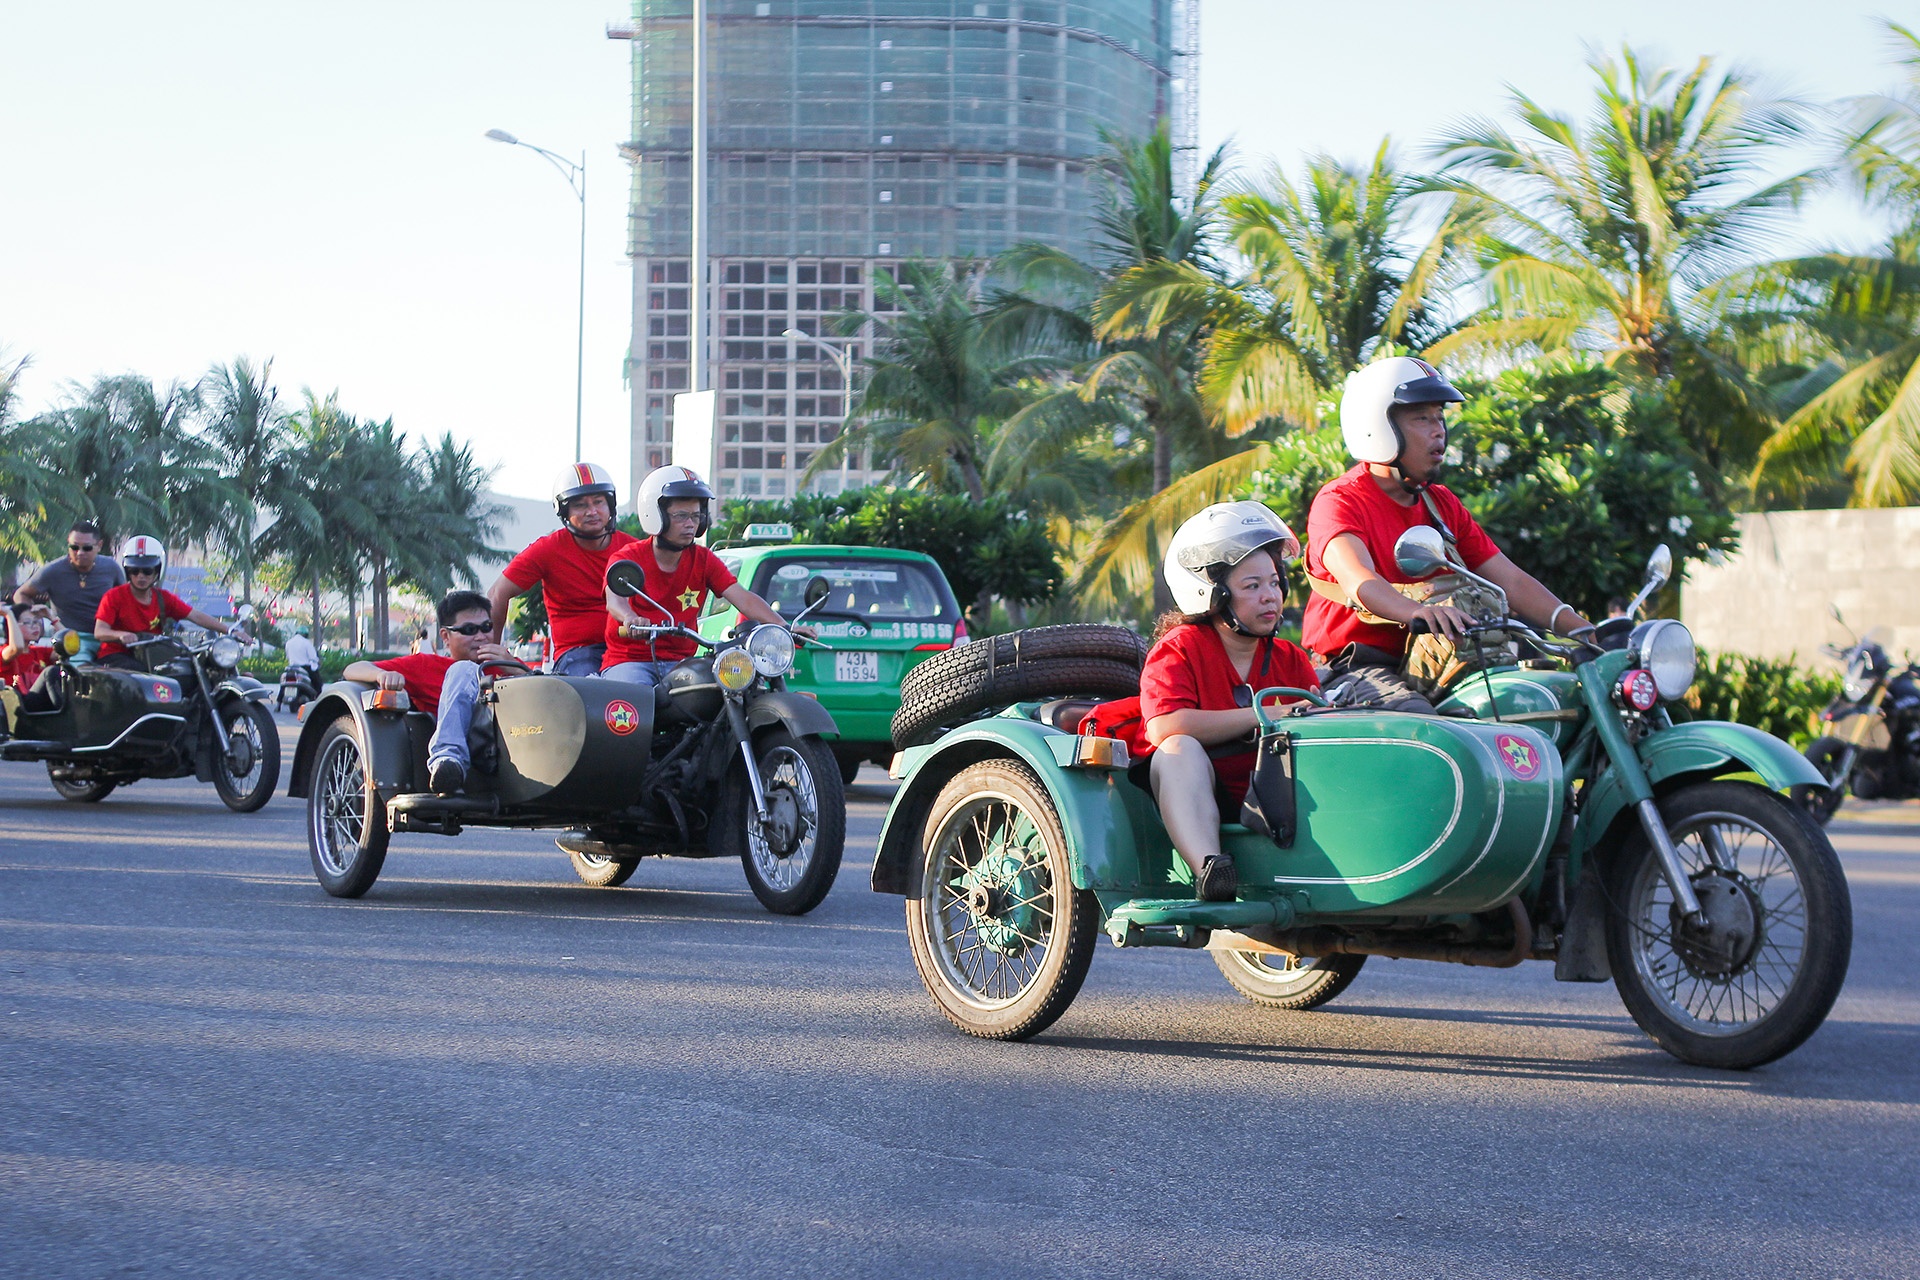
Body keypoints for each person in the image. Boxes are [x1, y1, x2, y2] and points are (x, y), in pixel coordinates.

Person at [1302, 356, 1590, 712]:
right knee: (1418, 721)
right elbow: (1358, 578)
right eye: (1422, 418)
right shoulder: (1340, 501)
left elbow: (1511, 581)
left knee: (1535, 701)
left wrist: (1582, 631)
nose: (1438, 430)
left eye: (1440, 417)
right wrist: (1415, 612)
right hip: (1353, 667)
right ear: (1377, 425)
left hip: (1439, 662)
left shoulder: (1441, 504)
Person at [1141, 502, 1323, 903]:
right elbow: (1164, 726)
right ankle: (1211, 868)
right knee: (1178, 748)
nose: (1270, 597)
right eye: (1252, 586)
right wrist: (1267, 715)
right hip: (1201, 789)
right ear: (1213, 594)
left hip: (1272, 798)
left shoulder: (1291, 658)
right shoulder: (1181, 647)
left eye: (1274, 583)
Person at [600, 465, 799, 686]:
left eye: (696, 516)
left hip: (682, 662)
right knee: (633, 705)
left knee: (723, 695)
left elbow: (743, 598)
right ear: (655, 515)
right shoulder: (628, 557)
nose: (690, 524)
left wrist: (785, 627)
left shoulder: (703, 559)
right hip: (630, 661)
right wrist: (629, 618)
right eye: (681, 516)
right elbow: (614, 599)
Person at [343, 590, 523, 796]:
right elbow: (352, 669)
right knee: (463, 669)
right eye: (470, 630)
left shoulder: (506, 665)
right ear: (446, 637)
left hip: (511, 754)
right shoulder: (426, 665)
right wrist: (381, 674)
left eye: (486, 627)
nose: (481, 636)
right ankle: (447, 761)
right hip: (473, 761)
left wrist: (514, 667)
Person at [488, 463, 640, 676]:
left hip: (630, 650)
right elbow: (497, 593)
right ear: (564, 511)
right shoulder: (547, 549)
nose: (592, 511)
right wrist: (494, 652)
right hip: (578, 654)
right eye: (580, 505)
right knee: (592, 694)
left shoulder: (633, 549)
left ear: (610, 505)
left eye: (598, 502)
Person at [92, 536, 236, 669]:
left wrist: (230, 631)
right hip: (116, 657)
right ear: (127, 571)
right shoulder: (114, 596)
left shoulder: (163, 598)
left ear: (157, 572)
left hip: (151, 657)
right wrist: (120, 636)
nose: (140, 576)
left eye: (147, 571)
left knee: (190, 670)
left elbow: (195, 615)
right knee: (142, 674)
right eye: (134, 571)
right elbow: (100, 631)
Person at [13, 519, 125, 663]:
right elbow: (21, 594)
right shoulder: (53, 570)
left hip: (107, 637)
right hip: (70, 639)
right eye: (74, 547)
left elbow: (125, 600)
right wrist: (34, 619)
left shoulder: (111, 568)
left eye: (87, 548)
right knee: (81, 672)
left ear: (99, 546)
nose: (80, 553)